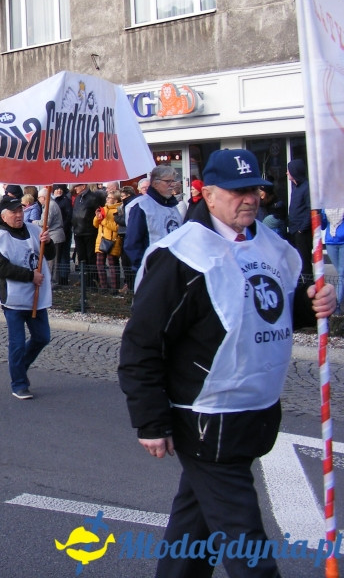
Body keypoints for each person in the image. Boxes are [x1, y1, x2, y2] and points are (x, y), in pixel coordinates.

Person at [118, 148, 337, 578]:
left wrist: (313, 303)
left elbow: (272, 307)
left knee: (193, 528)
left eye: (254, 189)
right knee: (246, 546)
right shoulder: (182, 255)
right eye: (237, 191)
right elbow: (142, 342)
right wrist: (150, 420)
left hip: (254, 411)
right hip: (206, 418)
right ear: (209, 195)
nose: (249, 198)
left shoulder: (269, 244)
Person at [0, 196, 56, 400]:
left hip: (36, 297)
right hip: (13, 298)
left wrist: (48, 242)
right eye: (14, 212)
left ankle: (19, 367)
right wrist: (30, 276)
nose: (18, 215)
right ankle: (19, 383)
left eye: (20, 211)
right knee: (17, 342)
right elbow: (1, 268)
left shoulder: (34, 230)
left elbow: (49, 254)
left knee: (42, 337)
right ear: (4, 216)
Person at [124, 165, 182, 276]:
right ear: (155, 183)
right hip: (152, 269)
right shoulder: (141, 206)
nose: (172, 185)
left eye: (173, 181)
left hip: (173, 268)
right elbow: (132, 242)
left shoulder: (173, 206)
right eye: (168, 181)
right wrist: (143, 269)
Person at [71, 183, 105, 283]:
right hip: (78, 232)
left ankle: (93, 280)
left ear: (83, 186)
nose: (75, 188)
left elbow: (98, 212)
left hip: (89, 232)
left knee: (91, 257)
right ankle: (84, 280)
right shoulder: (78, 198)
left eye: (77, 186)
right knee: (81, 257)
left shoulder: (93, 197)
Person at [286, 158, 312, 280]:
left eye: (288, 170)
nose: (286, 173)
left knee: (305, 263)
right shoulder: (296, 187)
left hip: (302, 232)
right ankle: (300, 285)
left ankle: (309, 286)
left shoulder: (306, 188)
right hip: (293, 230)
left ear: (294, 171)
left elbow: (311, 210)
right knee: (296, 262)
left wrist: (302, 229)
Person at [92, 190, 123, 291]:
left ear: (116, 200)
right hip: (101, 240)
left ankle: (114, 288)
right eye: (107, 197)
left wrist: (103, 220)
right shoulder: (104, 209)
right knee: (100, 265)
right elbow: (95, 225)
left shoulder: (119, 210)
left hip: (113, 241)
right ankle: (103, 286)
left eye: (110, 198)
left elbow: (116, 227)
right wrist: (97, 218)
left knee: (112, 265)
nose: (107, 199)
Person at [322, 208, 344, 315]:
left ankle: (337, 305)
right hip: (330, 242)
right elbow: (322, 226)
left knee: (341, 273)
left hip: (343, 242)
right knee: (340, 273)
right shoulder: (326, 208)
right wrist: (320, 216)